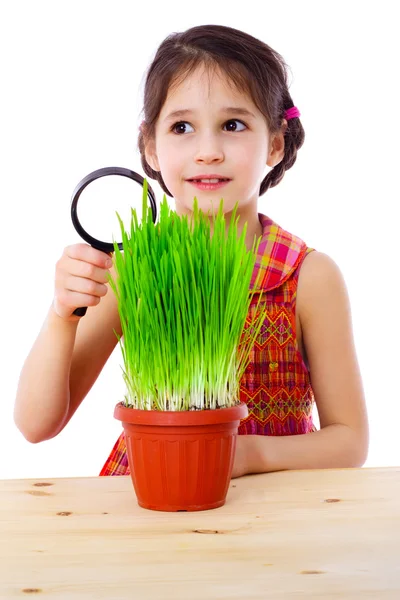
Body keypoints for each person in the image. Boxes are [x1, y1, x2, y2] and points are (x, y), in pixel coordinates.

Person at [14, 24, 369, 478]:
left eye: (233, 125)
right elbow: (36, 424)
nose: (208, 151)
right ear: (151, 146)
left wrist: (246, 455)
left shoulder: (307, 276)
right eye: (182, 127)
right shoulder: (134, 270)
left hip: (273, 517)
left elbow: (349, 440)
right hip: (153, 495)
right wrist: (62, 315)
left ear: (275, 143)